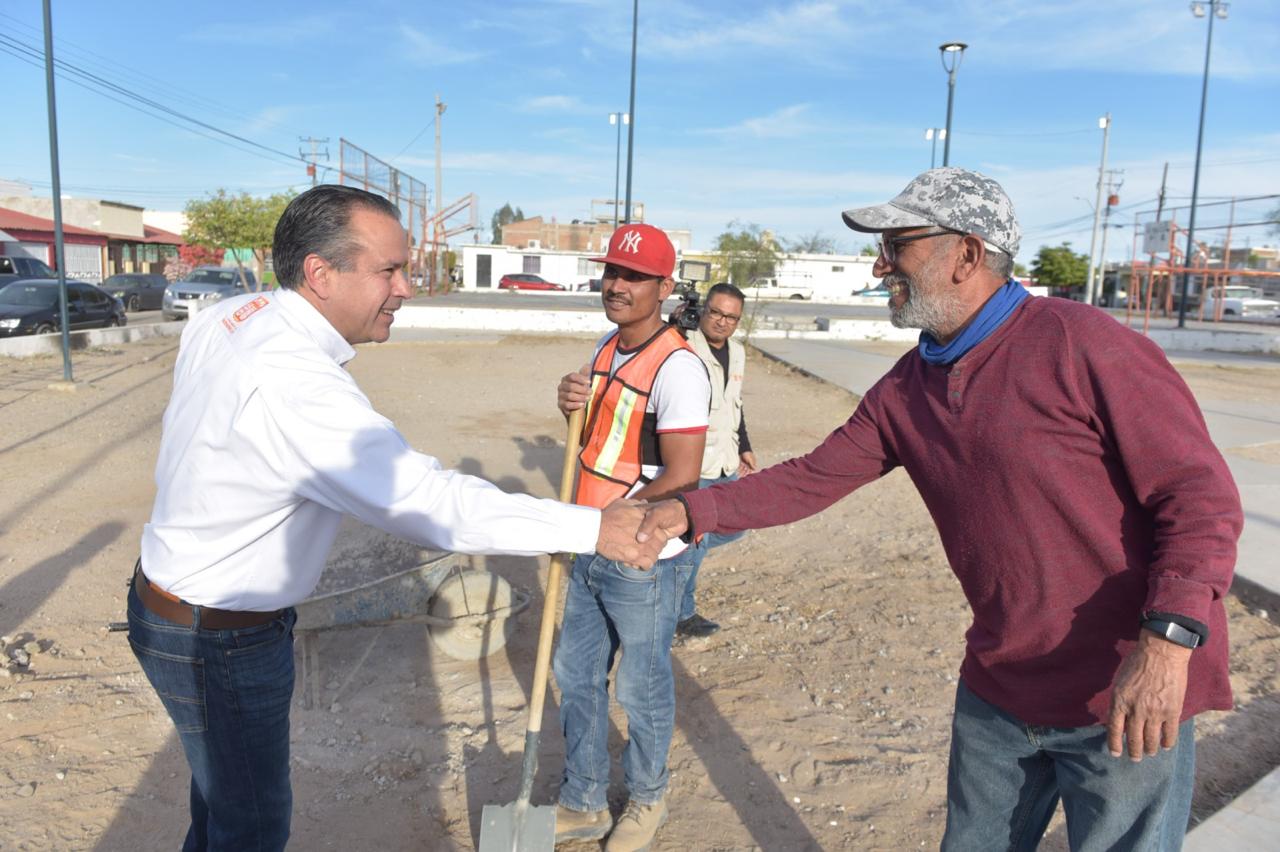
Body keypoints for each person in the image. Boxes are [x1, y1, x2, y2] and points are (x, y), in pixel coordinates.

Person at [636, 168, 1243, 851]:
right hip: (1000, 691)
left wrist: (1166, 646)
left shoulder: (1086, 345)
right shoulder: (906, 390)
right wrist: (691, 511)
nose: (880, 263)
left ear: (967, 255)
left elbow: (1199, 499)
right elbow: (811, 478)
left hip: (1124, 690)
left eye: (898, 246)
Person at [127, 184, 659, 852]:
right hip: (219, 634)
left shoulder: (234, 315)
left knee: (222, 808)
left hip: (174, 601)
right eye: (389, 271)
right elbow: (428, 502)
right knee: (251, 827)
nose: (407, 288)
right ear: (320, 274)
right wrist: (589, 527)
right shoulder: (295, 383)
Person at [552, 223, 711, 851]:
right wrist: (569, 404)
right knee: (577, 675)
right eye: (612, 272)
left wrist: (615, 517)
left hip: (643, 556)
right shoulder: (604, 346)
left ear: (665, 287)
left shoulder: (679, 368)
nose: (617, 285)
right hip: (591, 541)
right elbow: (595, 439)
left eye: (634, 277)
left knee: (640, 687)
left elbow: (684, 473)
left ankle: (648, 800)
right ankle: (584, 798)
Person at [675, 282, 757, 638]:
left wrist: (745, 447)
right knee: (693, 541)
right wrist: (674, 324)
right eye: (716, 313)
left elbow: (733, 404)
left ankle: (688, 545)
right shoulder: (682, 346)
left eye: (731, 317)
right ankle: (681, 614)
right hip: (696, 464)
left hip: (725, 460)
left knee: (736, 525)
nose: (722, 322)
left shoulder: (737, 352)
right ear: (704, 310)